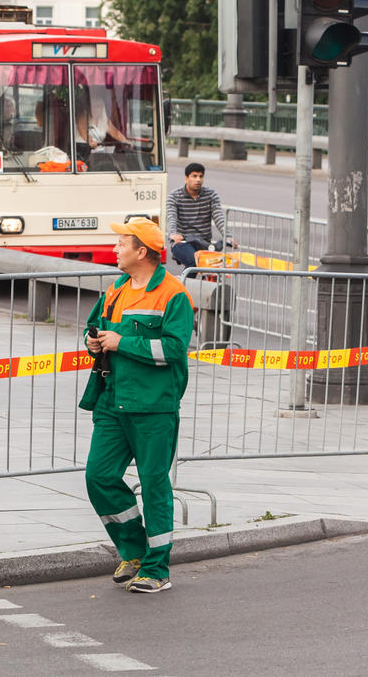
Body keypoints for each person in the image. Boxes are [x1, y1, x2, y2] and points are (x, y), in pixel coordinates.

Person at [80, 217, 193, 595]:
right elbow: (95, 326)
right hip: (113, 402)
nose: (115, 249)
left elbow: (175, 350)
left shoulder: (173, 294)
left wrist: (121, 342)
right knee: (99, 476)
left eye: (121, 243)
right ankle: (134, 550)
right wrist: (93, 341)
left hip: (153, 407)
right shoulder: (116, 289)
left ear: (142, 251)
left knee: (154, 483)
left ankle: (157, 569)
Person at [165, 162, 234, 268]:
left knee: (218, 267)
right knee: (194, 263)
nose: (198, 180)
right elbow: (171, 217)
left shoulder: (211, 195)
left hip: (204, 243)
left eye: (201, 176)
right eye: (194, 176)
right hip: (182, 242)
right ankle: (183, 284)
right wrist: (173, 234)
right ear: (186, 178)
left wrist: (228, 236)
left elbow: (218, 216)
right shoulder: (174, 196)